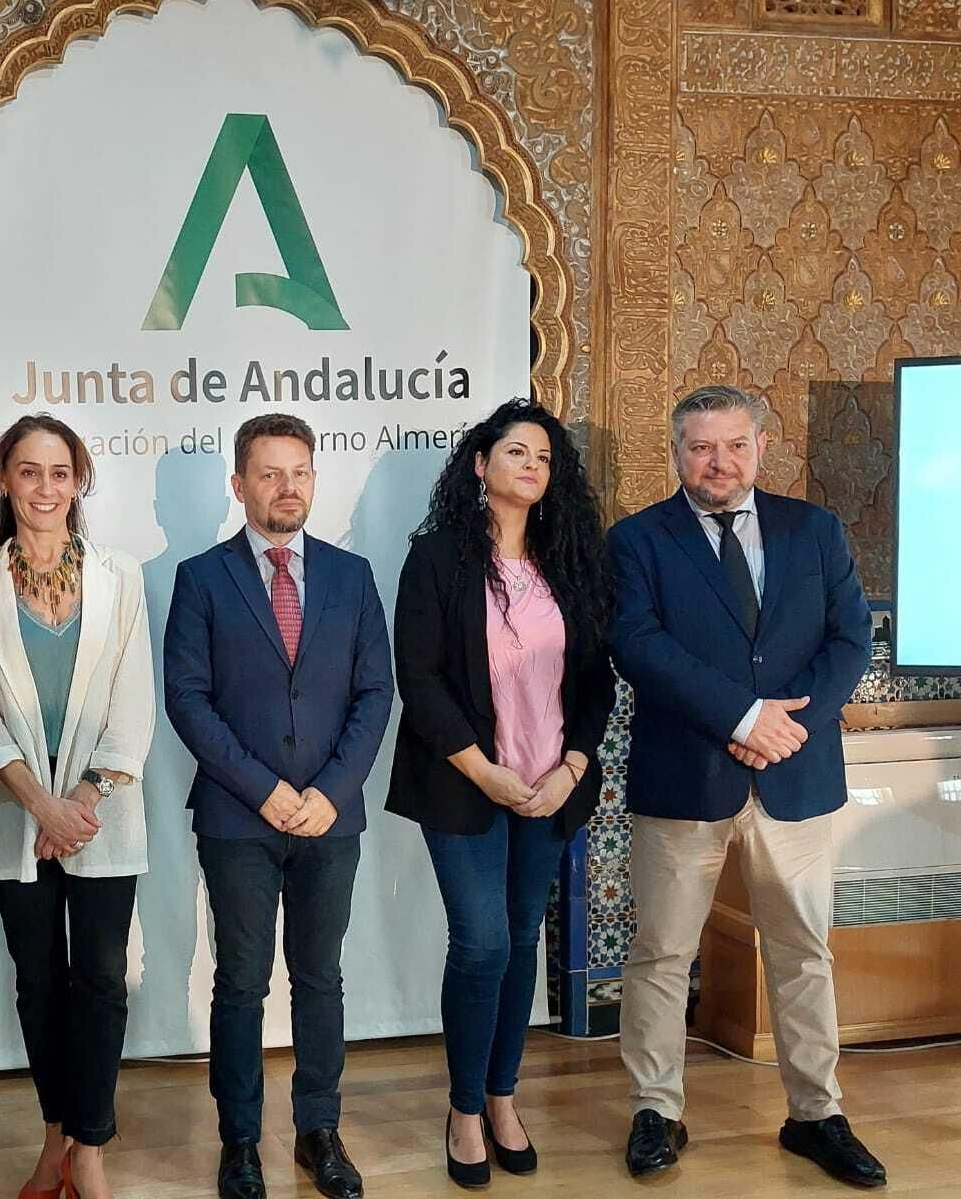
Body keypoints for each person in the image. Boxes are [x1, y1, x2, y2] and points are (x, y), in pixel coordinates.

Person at [609, 385, 886, 1189]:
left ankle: (816, 1115)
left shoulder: (816, 530)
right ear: (676, 453)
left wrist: (786, 726)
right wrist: (740, 715)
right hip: (686, 778)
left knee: (803, 952)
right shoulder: (637, 540)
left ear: (761, 446)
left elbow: (849, 635)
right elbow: (637, 644)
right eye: (701, 447)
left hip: (795, 777)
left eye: (734, 445)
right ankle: (656, 1110)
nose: (718, 462)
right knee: (661, 953)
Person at [386, 398, 616, 1189]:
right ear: (480, 466)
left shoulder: (572, 560)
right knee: (481, 941)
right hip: (465, 785)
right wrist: (486, 771)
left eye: (545, 458)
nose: (531, 466)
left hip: (552, 788)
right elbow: (417, 680)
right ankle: (462, 1108)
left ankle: (502, 1095)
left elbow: (596, 685)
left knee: (522, 938)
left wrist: (572, 769)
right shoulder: (438, 557)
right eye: (516, 452)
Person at [164, 414, 393, 1199]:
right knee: (241, 982)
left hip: (332, 820)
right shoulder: (201, 578)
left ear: (313, 481)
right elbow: (189, 702)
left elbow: (375, 693)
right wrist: (265, 789)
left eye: (299, 471)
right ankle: (239, 1140)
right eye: (269, 473)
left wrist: (328, 793)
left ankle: (319, 1130)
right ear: (239, 485)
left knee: (321, 978)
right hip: (238, 819)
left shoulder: (352, 577)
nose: (286, 486)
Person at [0, 415, 155, 1199]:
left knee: (101, 980)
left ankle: (92, 1147)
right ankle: (54, 1141)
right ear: (5, 479)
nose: (46, 488)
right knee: (38, 984)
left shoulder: (121, 577)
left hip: (102, 815)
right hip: (15, 816)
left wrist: (81, 799)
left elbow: (133, 700)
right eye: (29, 472)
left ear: (80, 483)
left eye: (61, 473)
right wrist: (39, 803)